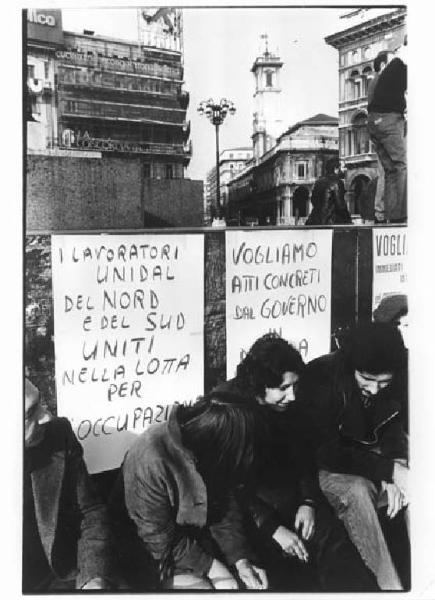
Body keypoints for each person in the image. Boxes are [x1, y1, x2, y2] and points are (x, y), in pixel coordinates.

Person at [213, 334, 378, 591]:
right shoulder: (228, 409)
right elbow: (229, 487)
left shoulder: (292, 406)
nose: (292, 396)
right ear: (259, 385)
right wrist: (272, 527)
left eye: (295, 386)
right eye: (283, 389)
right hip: (250, 511)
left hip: (291, 499)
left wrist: (308, 501)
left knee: (335, 545)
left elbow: (305, 454)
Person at [111, 394, 268, 591]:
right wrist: (212, 567)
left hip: (193, 543)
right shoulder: (151, 455)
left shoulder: (212, 449)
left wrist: (240, 559)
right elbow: (155, 536)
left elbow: (224, 507)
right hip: (147, 552)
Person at [300, 323, 409, 590]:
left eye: (383, 382)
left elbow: (394, 428)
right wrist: (387, 471)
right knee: (357, 491)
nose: (374, 390)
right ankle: (392, 588)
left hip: (375, 459)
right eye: (367, 380)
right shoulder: (320, 377)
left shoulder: (403, 375)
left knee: (417, 486)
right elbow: (325, 452)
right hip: (327, 466)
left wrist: (397, 466)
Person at [23, 378, 117, 591]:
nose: (46, 416)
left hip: (61, 577)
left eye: (40, 403)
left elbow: (90, 512)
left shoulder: (58, 433)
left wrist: (94, 578)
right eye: (29, 413)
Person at [367, 40, 407, 223]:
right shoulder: (405, 62)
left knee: (390, 170)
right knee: (400, 167)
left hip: (375, 123)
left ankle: (388, 216)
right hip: (389, 121)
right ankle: (399, 215)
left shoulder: (380, 79)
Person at [367, 51, 391, 223]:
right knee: (387, 172)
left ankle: (380, 212)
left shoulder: (375, 81)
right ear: (383, 65)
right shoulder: (381, 81)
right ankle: (381, 213)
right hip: (384, 129)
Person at [305, 160, 352, 225]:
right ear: (336, 169)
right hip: (330, 222)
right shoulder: (337, 182)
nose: (342, 171)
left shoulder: (318, 182)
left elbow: (313, 200)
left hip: (314, 221)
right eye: (340, 168)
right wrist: (349, 220)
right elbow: (340, 205)